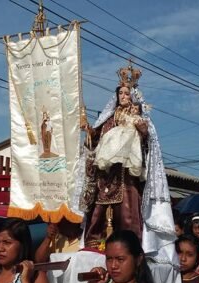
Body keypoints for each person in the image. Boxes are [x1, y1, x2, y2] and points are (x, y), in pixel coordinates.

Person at [73, 62, 176, 260]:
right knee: (99, 208)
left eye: (126, 93)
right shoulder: (109, 119)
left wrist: (142, 130)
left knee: (128, 210)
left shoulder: (139, 117)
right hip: (107, 174)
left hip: (127, 174)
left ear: (133, 96)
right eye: (120, 93)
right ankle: (96, 240)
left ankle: (129, 245)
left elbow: (149, 144)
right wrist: (90, 131)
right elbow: (98, 139)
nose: (123, 96)